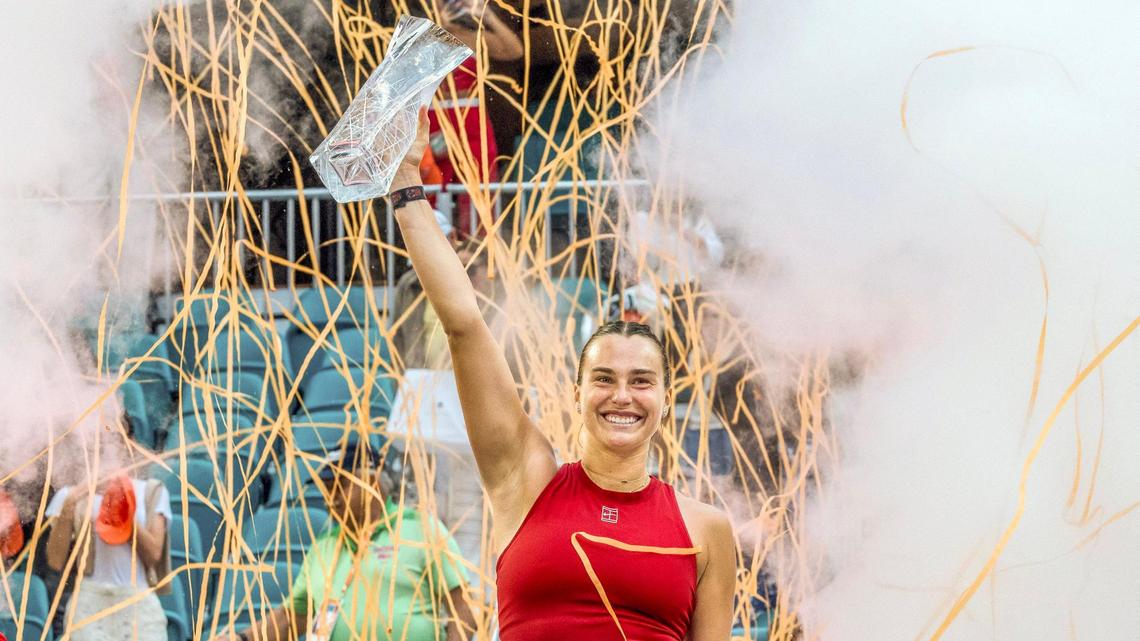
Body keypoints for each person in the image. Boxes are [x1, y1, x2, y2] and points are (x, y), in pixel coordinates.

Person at [389, 112, 736, 640]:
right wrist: (406, 186)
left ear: (666, 398)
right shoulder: (524, 480)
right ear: (577, 393)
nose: (622, 395)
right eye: (604, 378)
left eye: (642, 381)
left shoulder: (705, 530)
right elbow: (464, 323)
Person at [209, 440, 475, 641]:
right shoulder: (324, 547)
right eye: (326, 488)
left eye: (340, 485)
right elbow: (292, 617)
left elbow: (463, 605)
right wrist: (242, 638)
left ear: (374, 481)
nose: (331, 497)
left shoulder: (421, 530)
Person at [44, 427, 172, 641]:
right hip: (89, 602)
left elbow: (153, 554)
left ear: (128, 443)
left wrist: (122, 507)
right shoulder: (71, 494)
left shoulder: (150, 491)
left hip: (137, 601)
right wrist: (73, 500)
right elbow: (55, 560)